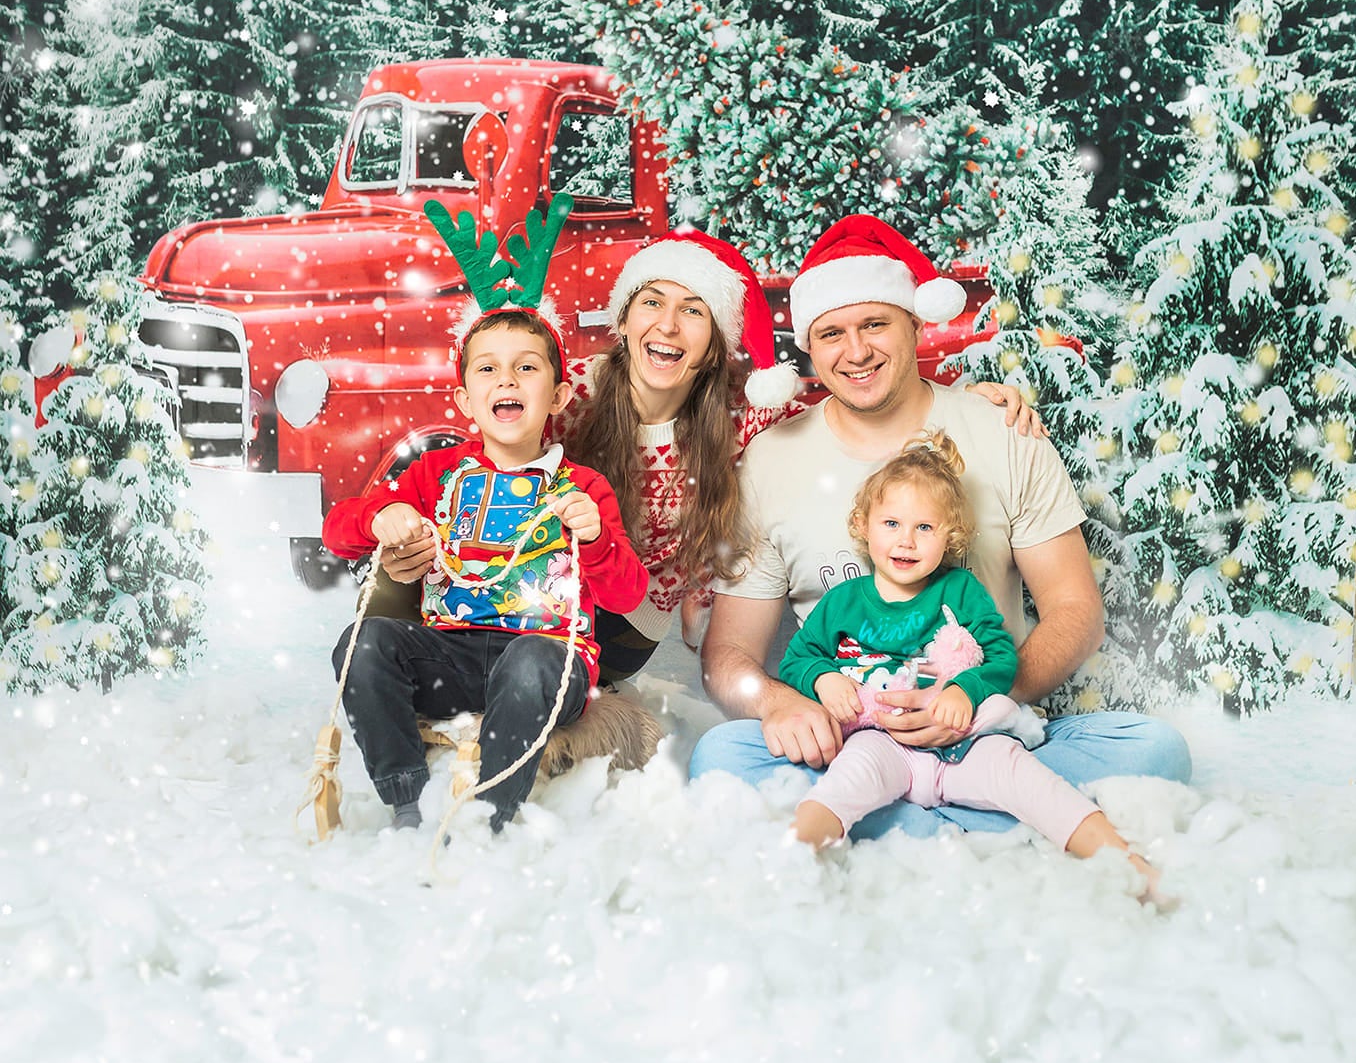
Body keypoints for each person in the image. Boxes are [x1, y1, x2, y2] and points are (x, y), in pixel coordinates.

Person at [691, 212, 1192, 837]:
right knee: (719, 758)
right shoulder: (772, 458)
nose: (856, 351)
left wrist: (974, 701)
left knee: (1155, 750)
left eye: (875, 323)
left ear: (914, 323)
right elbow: (727, 655)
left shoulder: (1002, 432)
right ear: (809, 349)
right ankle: (988, 815)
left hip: (983, 733)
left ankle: (900, 816)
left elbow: (1076, 611)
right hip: (852, 743)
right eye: (832, 334)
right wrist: (780, 702)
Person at [365, 229, 1048, 684]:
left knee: (526, 652)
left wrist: (966, 396)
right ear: (624, 322)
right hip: (521, 578)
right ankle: (387, 679)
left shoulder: (742, 418)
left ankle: (504, 685)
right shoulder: (563, 395)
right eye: (652, 303)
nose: (667, 324)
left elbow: (860, 389)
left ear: (713, 342)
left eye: (692, 311)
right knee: (409, 561)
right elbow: (473, 442)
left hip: (618, 618)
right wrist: (405, 524)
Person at [782, 431, 1163, 898]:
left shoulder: (959, 591)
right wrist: (822, 679)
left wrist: (964, 691)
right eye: (892, 524)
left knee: (1026, 776)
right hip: (882, 742)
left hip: (964, 746)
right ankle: (793, 861)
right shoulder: (843, 602)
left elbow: (1001, 656)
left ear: (951, 536)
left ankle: (1128, 866)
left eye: (925, 528)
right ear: (863, 525)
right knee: (843, 781)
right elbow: (799, 657)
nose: (906, 541)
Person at [321, 307, 647, 833]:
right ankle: (409, 799)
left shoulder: (583, 487)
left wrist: (597, 538)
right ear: (464, 400)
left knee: (530, 662)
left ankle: (487, 816)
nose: (507, 380)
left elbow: (629, 595)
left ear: (559, 396)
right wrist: (381, 515)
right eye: (488, 370)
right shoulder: (436, 473)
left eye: (526, 368)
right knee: (363, 643)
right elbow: (337, 529)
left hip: (548, 661)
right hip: (449, 653)